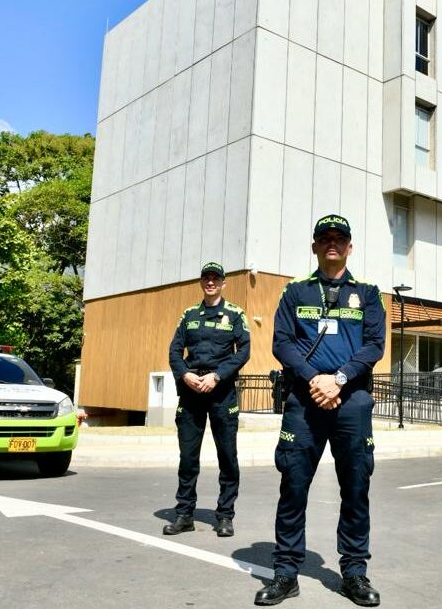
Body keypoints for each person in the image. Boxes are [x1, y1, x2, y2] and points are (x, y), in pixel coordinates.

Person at [255, 215, 386, 607]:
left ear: (350, 246)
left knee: (356, 488)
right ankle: (285, 572)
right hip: (304, 402)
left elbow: (374, 345)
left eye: (339, 239)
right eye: (324, 238)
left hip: (352, 402)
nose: (332, 244)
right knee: (293, 486)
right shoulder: (296, 293)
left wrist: (340, 379)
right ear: (314, 246)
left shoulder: (368, 294)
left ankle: (355, 573)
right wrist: (315, 379)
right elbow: (282, 342)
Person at [163, 262, 250, 538]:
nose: (211, 282)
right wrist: (185, 375)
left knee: (227, 456)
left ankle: (224, 516)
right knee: (188, 458)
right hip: (191, 392)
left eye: (216, 278)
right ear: (201, 282)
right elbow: (175, 351)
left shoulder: (235, 314)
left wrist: (218, 376)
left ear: (224, 282)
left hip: (221, 392)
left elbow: (244, 351)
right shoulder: (189, 315)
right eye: (206, 278)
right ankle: (184, 514)